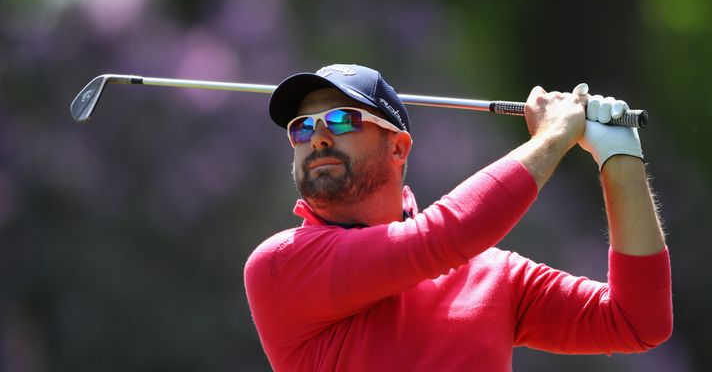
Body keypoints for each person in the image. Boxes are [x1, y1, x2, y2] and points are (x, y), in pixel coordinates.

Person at [244, 64, 672, 371]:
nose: (317, 138)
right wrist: (556, 134)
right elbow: (442, 238)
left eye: (341, 120)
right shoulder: (282, 264)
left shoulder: (492, 274)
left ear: (397, 148)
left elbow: (636, 320)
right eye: (301, 127)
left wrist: (619, 155)